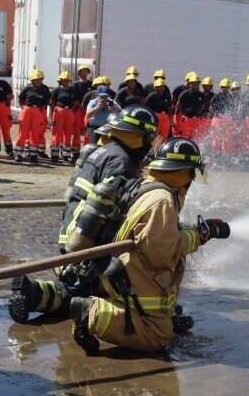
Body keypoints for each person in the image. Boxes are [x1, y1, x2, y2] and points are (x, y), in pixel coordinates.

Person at [8, 106, 159, 324]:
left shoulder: (102, 151)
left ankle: (36, 292)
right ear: (139, 137)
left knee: (77, 285)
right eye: (148, 139)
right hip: (86, 238)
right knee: (81, 291)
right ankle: (32, 292)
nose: (148, 145)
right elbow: (113, 211)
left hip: (71, 229)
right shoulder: (122, 162)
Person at [69, 137, 210, 353]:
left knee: (164, 320)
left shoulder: (146, 184)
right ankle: (92, 314)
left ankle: (162, 317)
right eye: (192, 173)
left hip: (115, 268)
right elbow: (164, 255)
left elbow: (155, 231)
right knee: (158, 336)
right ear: (184, 173)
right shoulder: (162, 200)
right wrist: (196, 238)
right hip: (129, 274)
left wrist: (188, 230)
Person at [14, 69, 50, 163]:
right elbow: (20, 99)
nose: (38, 81)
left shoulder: (45, 89)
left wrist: (43, 108)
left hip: (38, 111)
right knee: (23, 132)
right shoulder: (27, 88)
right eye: (36, 80)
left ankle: (33, 154)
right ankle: (18, 154)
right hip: (27, 110)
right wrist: (23, 108)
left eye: (40, 79)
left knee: (35, 133)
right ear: (32, 80)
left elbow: (47, 101)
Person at [209, 78, 238, 166]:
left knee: (227, 139)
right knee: (216, 138)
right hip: (217, 118)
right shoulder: (217, 96)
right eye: (223, 87)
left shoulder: (231, 97)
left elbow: (234, 109)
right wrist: (216, 115)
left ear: (229, 88)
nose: (225, 89)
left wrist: (231, 117)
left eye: (226, 87)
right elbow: (211, 107)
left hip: (228, 119)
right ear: (221, 87)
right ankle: (215, 158)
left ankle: (226, 158)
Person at [50, 71, 77, 163]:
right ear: (61, 80)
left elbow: (75, 102)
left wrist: (72, 109)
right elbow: (52, 102)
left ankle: (66, 154)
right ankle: (54, 154)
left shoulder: (72, 90)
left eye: (68, 80)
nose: (66, 81)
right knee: (56, 132)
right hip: (59, 111)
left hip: (69, 112)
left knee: (68, 133)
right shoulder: (56, 90)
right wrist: (53, 113)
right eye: (64, 80)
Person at [175, 73, 203, 139]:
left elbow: (202, 106)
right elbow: (178, 106)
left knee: (195, 138)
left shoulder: (201, 95)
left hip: (196, 120)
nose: (195, 85)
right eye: (193, 83)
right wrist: (182, 117)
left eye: (197, 83)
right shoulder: (185, 93)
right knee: (183, 137)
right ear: (190, 84)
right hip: (186, 119)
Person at [145, 78, 172, 143]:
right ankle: (151, 151)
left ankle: (160, 150)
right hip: (155, 117)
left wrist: (171, 119)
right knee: (154, 135)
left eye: (163, 86)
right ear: (156, 88)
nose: (162, 88)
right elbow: (146, 107)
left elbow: (169, 108)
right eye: (160, 87)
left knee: (164, 135)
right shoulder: (151, 96)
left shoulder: (167, 96)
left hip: (165, 117)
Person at [73, 64, 93, 148]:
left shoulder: (91, 84)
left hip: (89, 110)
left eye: (85, 71)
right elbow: (72, 97)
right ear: (79, 73)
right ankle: (75, 149)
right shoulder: (75, 84)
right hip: (79, 110)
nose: (84, 73)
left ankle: (86, 148)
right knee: (77, 130)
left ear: (88, 73)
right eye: (82, 71)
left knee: (88, 129)